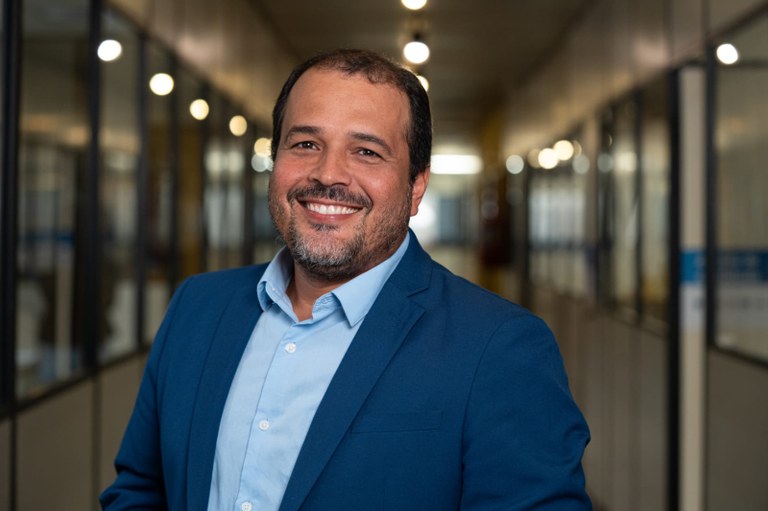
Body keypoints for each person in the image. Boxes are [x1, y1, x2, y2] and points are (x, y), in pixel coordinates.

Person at [100, 48, 591, 511]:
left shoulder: (500, 348)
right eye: (305, 144)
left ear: (416, 185)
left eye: (367, 152)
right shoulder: (197, 307)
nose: (327, 173)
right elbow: (141, 489)